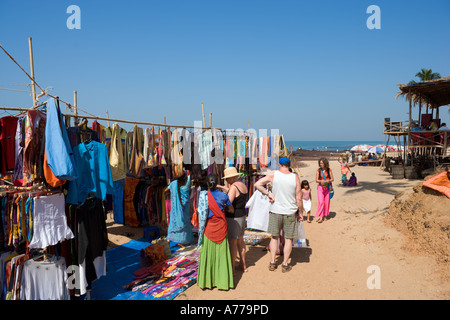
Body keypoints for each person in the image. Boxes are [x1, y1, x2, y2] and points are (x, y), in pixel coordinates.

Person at [254, 157, 303, 273]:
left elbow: (257, 184)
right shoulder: (295, 177)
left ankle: (272, 262)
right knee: (289, 239)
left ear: (280, 164)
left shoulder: (274, 174)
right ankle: (285, 264)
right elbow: (299, 198)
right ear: (289, 165)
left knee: (274, 237)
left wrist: (268, 194)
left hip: (275, 211)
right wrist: (300, 212)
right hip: (290, 212)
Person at [197, 174, 235, 290]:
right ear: (217, 182)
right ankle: (222, 282)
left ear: (207, 183)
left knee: (208, 253)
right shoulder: (224, 195)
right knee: (222, 254)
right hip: (221, 227)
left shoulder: (203, 195)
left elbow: (200, 211)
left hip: (209, 228)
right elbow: (231, 210)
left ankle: (207, 282)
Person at [218, 167, 249, 274]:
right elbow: (236, 194)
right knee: (241, 242)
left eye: (227, 178)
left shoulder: (233, 187)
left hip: (233, 218)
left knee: (232, 243)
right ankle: (243, 265)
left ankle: (232, 269)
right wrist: (224, 189)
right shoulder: (242, 185)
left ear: (231, 178)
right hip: (242, 216)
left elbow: (228, 203)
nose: (226, 181)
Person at [315, 158, 334, 223]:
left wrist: (327, 181)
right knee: (321, 202)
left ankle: (325, 216)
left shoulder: (329, 170)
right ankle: (321, 217)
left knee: (327, 202)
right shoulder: (318, 170)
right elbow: (316, 180)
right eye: (320, 163)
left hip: (327, 188)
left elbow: (332, 179)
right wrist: (321, 181)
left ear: (325, 163)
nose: (321, 164)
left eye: (322, 163)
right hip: (320, 187)